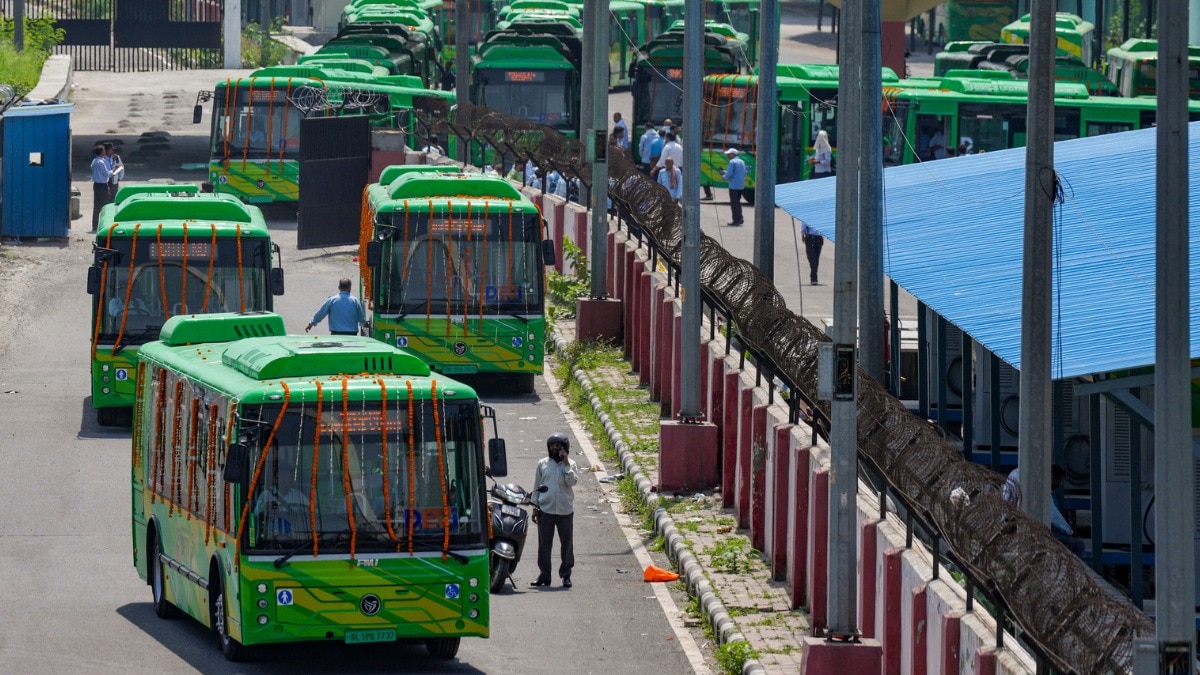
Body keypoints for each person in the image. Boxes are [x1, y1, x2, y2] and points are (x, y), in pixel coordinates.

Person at [1003, 465, 1086, 558]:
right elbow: (1052, 514)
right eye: (1060, 481)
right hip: (1034, 525)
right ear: (1053, 477)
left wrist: (1006, 520)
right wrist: (1069, 531)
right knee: (1079, 545)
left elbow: (1007, 499)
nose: (1059, 485)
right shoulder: (1039, 483)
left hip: (1016, 521)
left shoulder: (1016, 473)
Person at [530, 432, 578, 588]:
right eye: (553, 446)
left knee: (567, 545)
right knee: (544, 545)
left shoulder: (571, 464)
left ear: (565, 448)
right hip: (546, 509)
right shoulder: (542, 464)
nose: (555, 449)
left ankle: (566, 575)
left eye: (559, 446)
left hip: (565, 510)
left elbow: (571, 482)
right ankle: (544, 576)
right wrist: (535, 506)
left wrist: (565, 463)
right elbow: (537, 486)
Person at [90, 145, 115, 232]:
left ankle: (95, 225)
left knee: (96, 206)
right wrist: (114, 170)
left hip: (96, 185)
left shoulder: (94, 161)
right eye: (104, 150)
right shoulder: (101, 162)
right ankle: (105, 225)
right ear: (101, 152)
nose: (105, 151)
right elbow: (107, 174)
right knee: (106, 206)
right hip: (102, 185)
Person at [721, 147, 747, 226]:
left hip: (733, 185)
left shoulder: (732, 162)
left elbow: (729, 174)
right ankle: (740, 218)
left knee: (734, 203)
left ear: (733, 154)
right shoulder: (742, 161)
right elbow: (744, 172)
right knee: (738, 202)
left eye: (729, 154)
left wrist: (723, 176)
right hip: (740, 185)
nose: (728, 156)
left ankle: (736, 220)